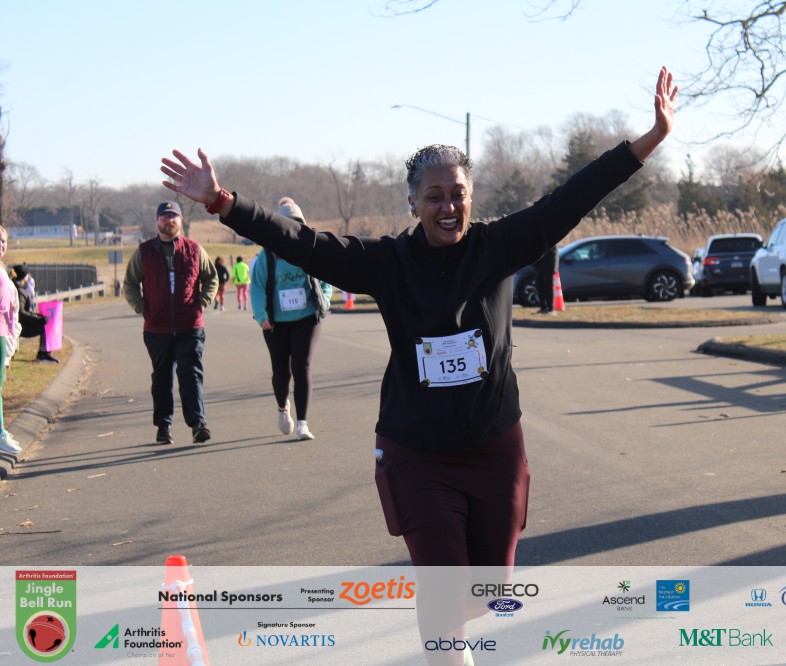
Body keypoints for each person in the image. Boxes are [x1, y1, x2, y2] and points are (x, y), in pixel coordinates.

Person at [161, 66, 677, 660]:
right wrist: (223, 203)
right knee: (443, 593)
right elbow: (304, 244)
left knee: (487, 595)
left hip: (493, 448)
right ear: (413, 202)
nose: (448, 206)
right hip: (418, 453)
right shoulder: (388, 263)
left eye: (457, 194)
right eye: (434, 196)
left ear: (470, 197)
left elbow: (575, 195)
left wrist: (651, 139)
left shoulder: (499, 246)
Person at [122, 201, 218, 445]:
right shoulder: (144, 252)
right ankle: (163, 426)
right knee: (162, 378)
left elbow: (211, 278)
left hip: (190, 326)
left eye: (173, 216)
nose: (169, 220)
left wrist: (202, 302)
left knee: (191, 374)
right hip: (157, 328)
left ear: (181, 220)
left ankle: (198, 424)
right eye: (164, 216)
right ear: (157, 221)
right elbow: (130, 284)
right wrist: (143, 308)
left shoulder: (194, 249)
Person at [250, 197, 333, 441]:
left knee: (301, 366)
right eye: (288, 223)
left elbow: (326, 279)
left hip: (307, 317)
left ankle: (302, 424)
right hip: (275, 322)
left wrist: (326, 299)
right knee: (281, 372)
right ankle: (282, 407)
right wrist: (261, 315)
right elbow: (256, 287)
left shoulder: (310, 250)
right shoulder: (267, 255)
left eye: (297, 222)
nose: (292, 227)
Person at [0, 227, 21, 455]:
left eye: (3, 241)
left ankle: (1, 431)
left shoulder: (2, 269)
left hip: (3, 332)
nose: (1, 244)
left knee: (0, 383)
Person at [11, 264, 59, 363]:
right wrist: (39, 319)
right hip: (20, 326)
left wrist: (38, 317)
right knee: (45, 326)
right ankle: (43, 354)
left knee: (44, 322)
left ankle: (44, 354)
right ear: (24, 276)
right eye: (27, 275)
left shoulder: (18, 288)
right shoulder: (20, 291)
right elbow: (21, 313)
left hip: (17, 324)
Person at [533, 246, 559, 314]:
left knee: (549, 288)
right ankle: (543, 307)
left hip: (549, 266)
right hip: (539, 267)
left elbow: (554, 254)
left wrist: (554, 268)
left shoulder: (551, 243)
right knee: (540, 287)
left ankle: (551, 308)